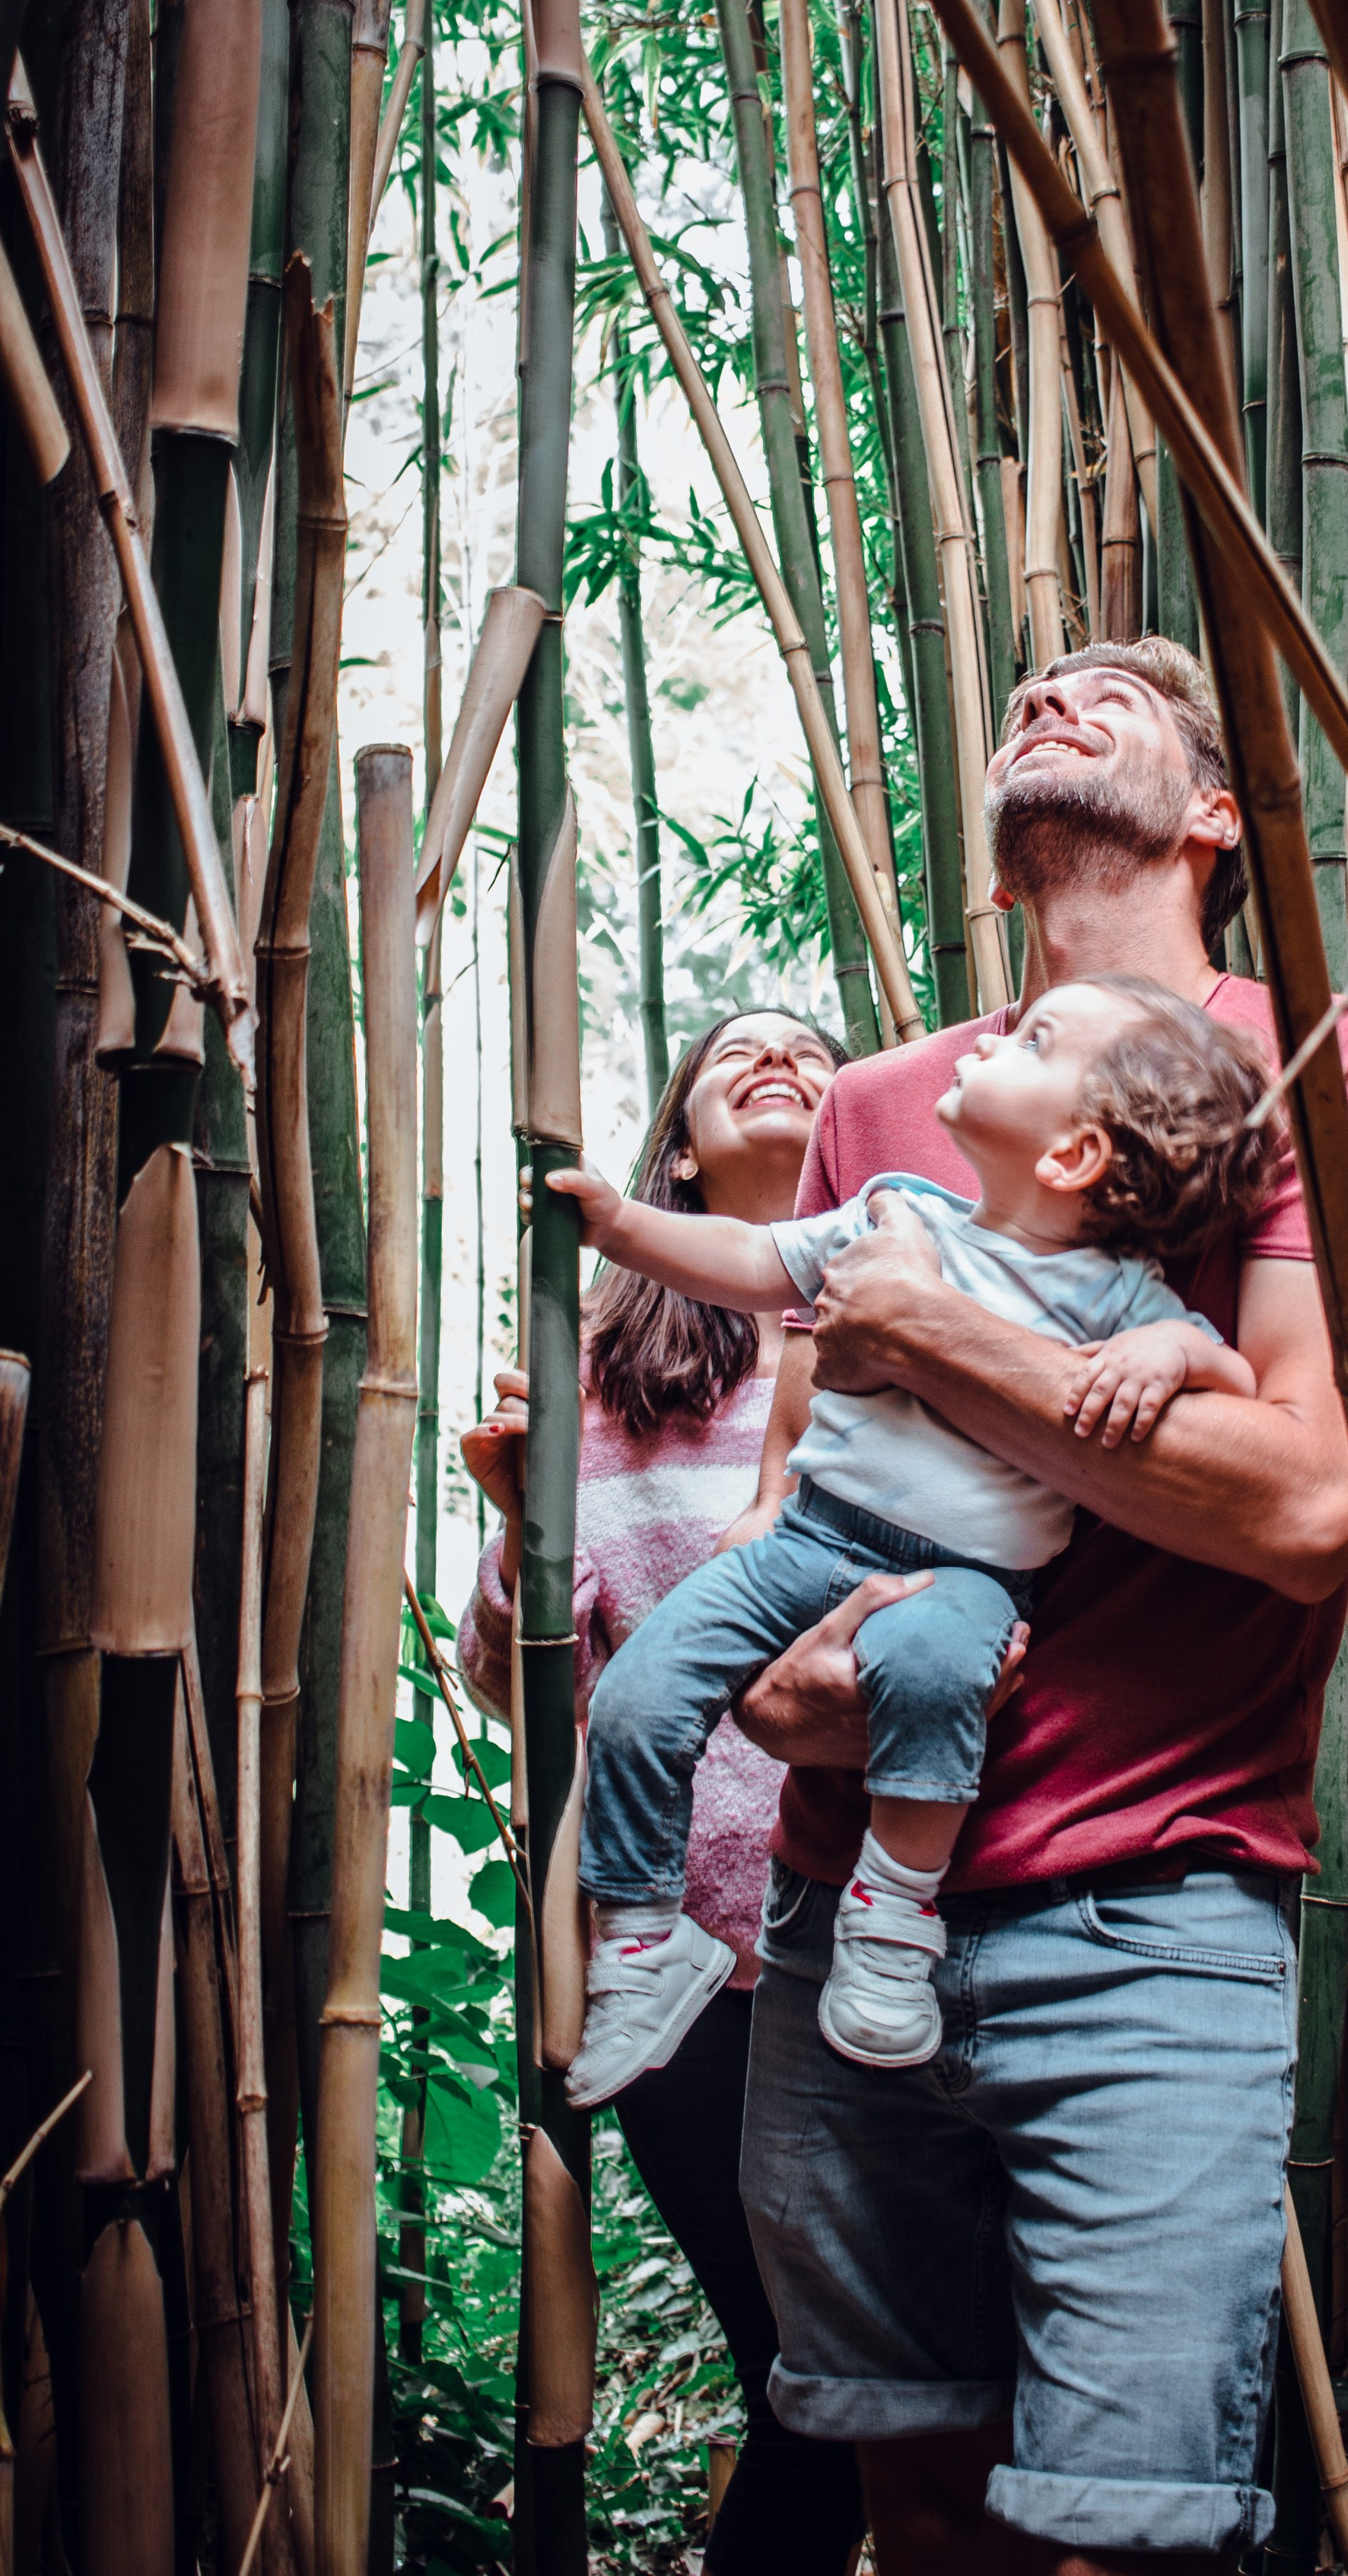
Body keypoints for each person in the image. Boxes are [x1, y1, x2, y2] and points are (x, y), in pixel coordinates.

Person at [729, 640, 1348, 2576]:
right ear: (990, 869)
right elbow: (802, 1510)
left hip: (1148, 1907)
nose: (1048, 694)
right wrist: (782, 1679)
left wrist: (926, 1325)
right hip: (844, 1909)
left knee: (1125, 2538)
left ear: (1218, 815)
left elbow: (1302, 1506)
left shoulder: (1320, 1063)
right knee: (919, 2513)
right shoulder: (888, 1103)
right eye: (1026, 691)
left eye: (1112, 695)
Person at [547, 976, 1280, 2088]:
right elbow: (755, 1261)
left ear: (1073, 1157)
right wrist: (619, 1226)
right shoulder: (898, 1213)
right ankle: (647, 1937)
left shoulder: (1118, 1300)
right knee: (644, 1693)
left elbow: (1229, 1368)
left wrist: (1171, 1355)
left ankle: (892, 1923)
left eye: (1028, 1042)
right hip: (807, 1541)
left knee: (932, 1681)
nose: (980, 1046)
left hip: (968, 1580)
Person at [457, 1009, 865, 2576]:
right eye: (734, 1051)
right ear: (677, 1148)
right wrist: (518, 1532)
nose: (777, 1057)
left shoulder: (921, 1328)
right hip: (689, 1954)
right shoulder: (608, 1373)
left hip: (903, 1926)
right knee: (810, 2375)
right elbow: (525, 1690)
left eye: (811, 1049)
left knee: (896, 2378)